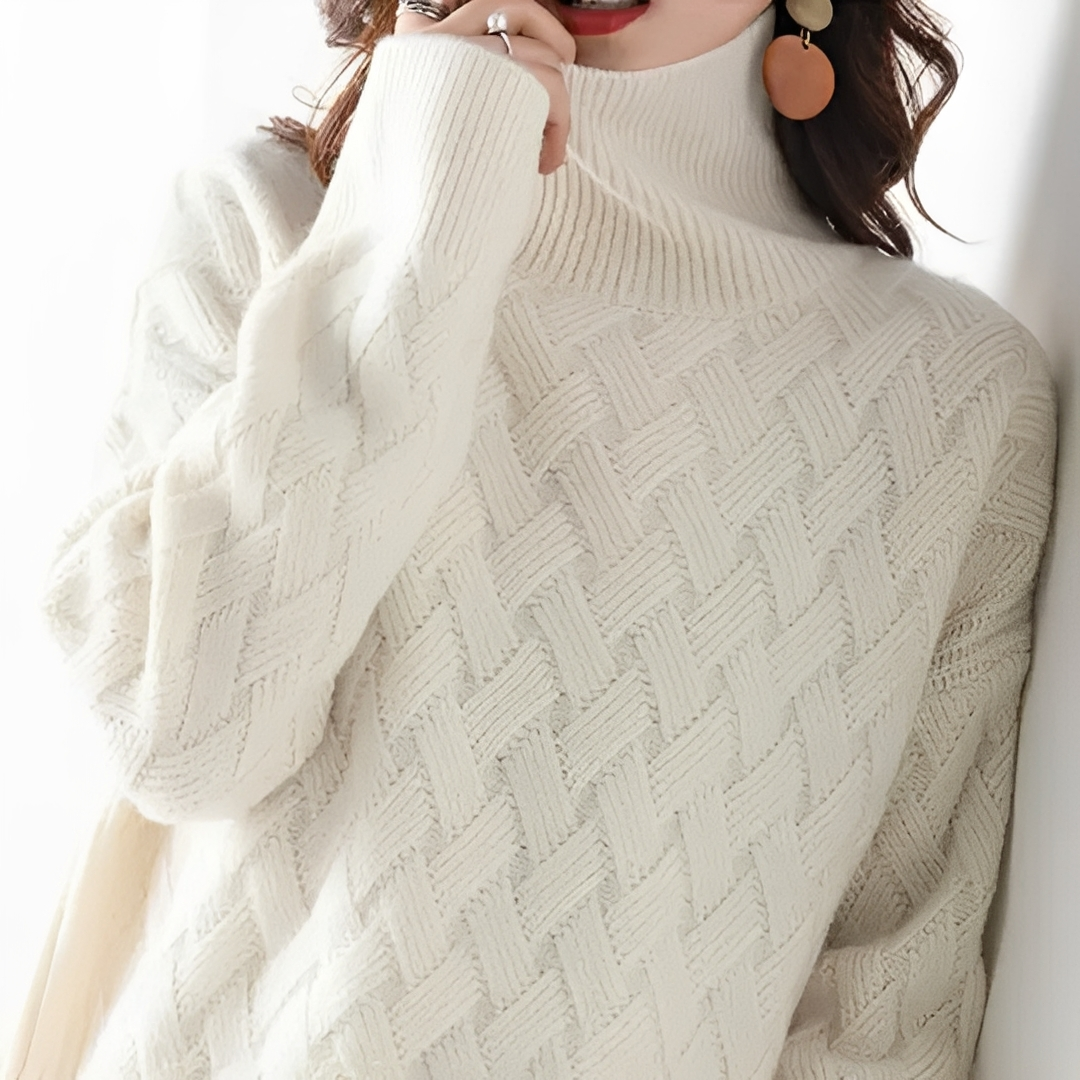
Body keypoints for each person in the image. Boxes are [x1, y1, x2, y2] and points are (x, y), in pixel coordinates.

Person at [31, 0, 1055, 1075]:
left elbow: (884, 1019)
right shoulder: (274, 225)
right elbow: (180, 738)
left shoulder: (948, 399)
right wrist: (424, 215)